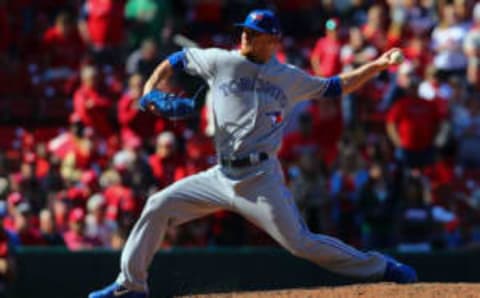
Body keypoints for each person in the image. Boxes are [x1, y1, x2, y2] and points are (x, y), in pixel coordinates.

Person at [89, 9, 417, 298]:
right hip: (220, 175)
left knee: (301, 243)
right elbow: (175, 60)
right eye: (245, 30)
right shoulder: (221, 60)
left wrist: (375, 66)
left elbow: (336, 86)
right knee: (158, 205)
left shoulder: (288, 77)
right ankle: (130, 286)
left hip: (261, 180)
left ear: (272, 41)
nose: (245, 35)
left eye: (254, 33)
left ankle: (381, 267)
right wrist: (149, 90)